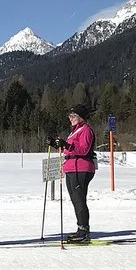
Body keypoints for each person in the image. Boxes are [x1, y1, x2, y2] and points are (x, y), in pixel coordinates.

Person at [48, 103, 97, 243]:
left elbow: (83, 149)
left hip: (80, 168)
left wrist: (67, 145)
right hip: (71, 167)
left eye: (74, 116)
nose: (71, 118)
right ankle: (80, 229)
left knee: (79, 199)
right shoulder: (74, 131)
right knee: (76, 200)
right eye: (70, 116)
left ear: (81, 117)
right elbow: (69, 149)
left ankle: (83, 231)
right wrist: (56, 144)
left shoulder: (86, 130)